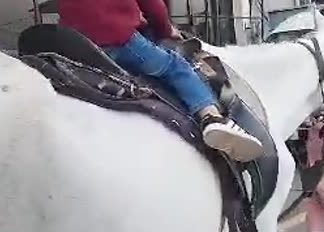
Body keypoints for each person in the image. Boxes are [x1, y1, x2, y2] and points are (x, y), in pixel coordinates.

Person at [57, 0, 263, 162]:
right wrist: (166, 30)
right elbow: (153, 6)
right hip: (117, 39)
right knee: (177, 67)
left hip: (75, 41)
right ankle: (212, 118)